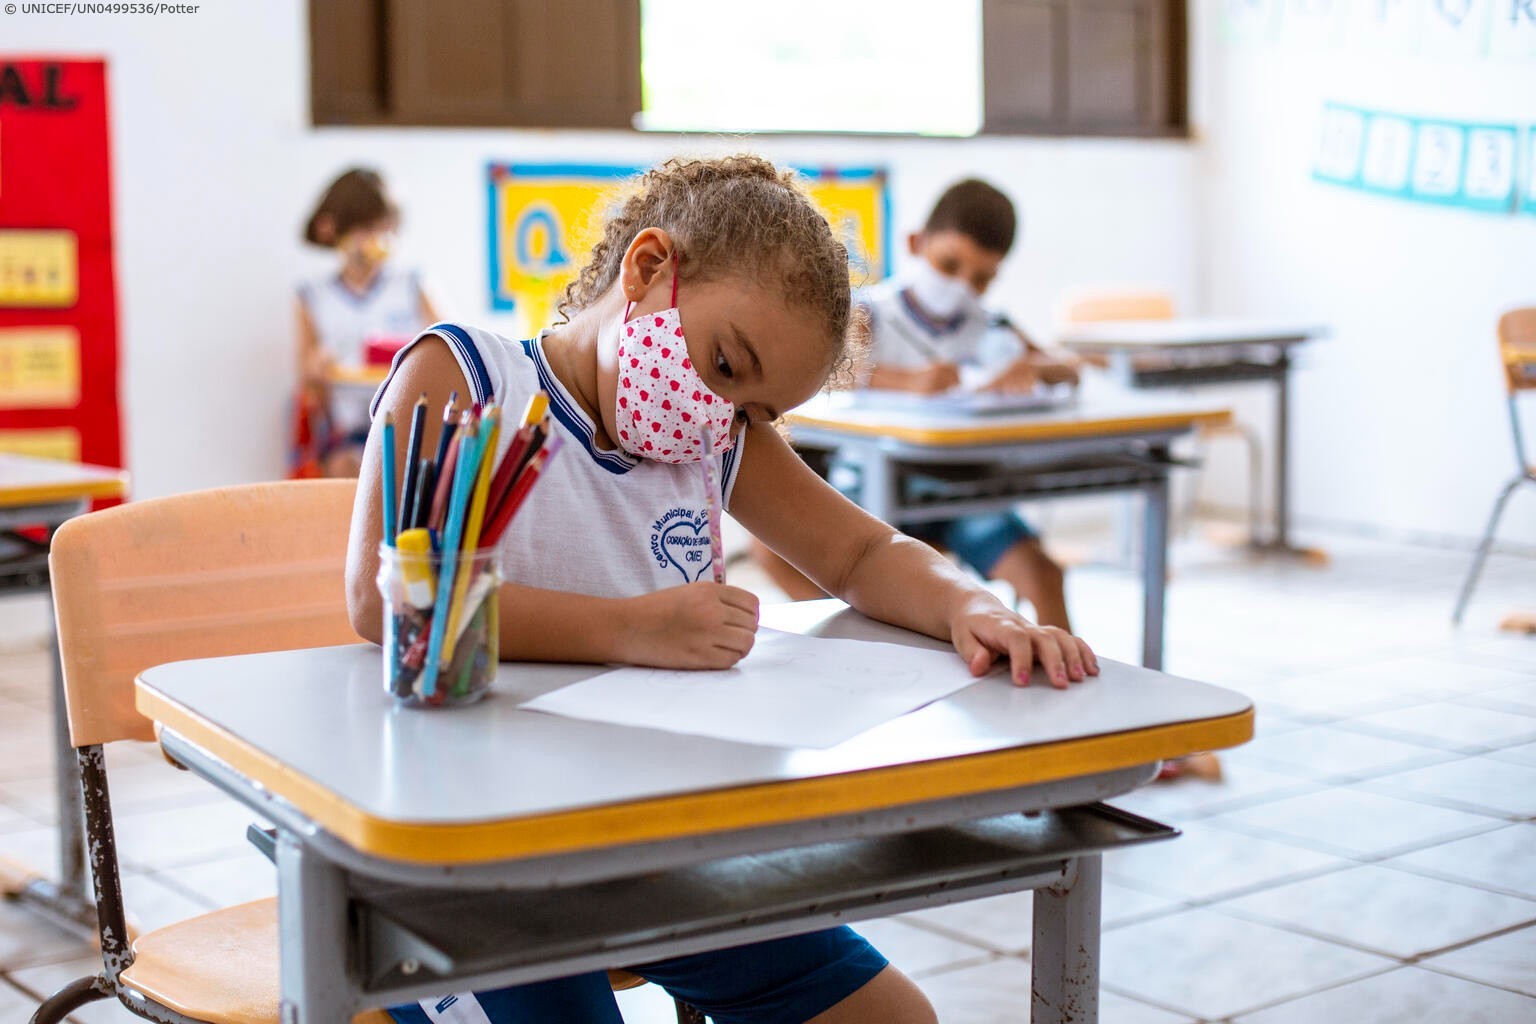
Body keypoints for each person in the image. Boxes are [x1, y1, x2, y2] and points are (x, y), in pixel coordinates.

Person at [346, 155, 1099, 1024]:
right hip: (466, 856)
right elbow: (383, 602)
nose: (720, 412)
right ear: (648, 268)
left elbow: (861, 555)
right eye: (725, 363)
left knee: (895, 1018)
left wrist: (974, 604)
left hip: (650, 839)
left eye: (756, 411)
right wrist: (630, 629)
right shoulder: (465, 377)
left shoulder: (711, 435)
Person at [757, 179, 1083, 631]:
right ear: (916, 243)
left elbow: (1066, 368)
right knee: (775, 552)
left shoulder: (989, 324)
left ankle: (1061, 678)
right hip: (870, 488)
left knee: (1044, 575)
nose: (962, 285)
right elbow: (835, 372)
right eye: (949, 264)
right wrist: (906, 382)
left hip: (962, 493)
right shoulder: (872, 311)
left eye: (981, 278)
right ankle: (867, 634)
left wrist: (1031, 369)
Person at [296, 167, 439, 477]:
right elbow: (307, 379)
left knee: (412, 468)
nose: (375, 240)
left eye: (384, 229)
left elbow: (453, 339)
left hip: (407, 417)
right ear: (331, 230)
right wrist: (317, 366)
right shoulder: (313, 296)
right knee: (350, 469)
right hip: (349, 430)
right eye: (365, 229)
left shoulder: (412, 283)